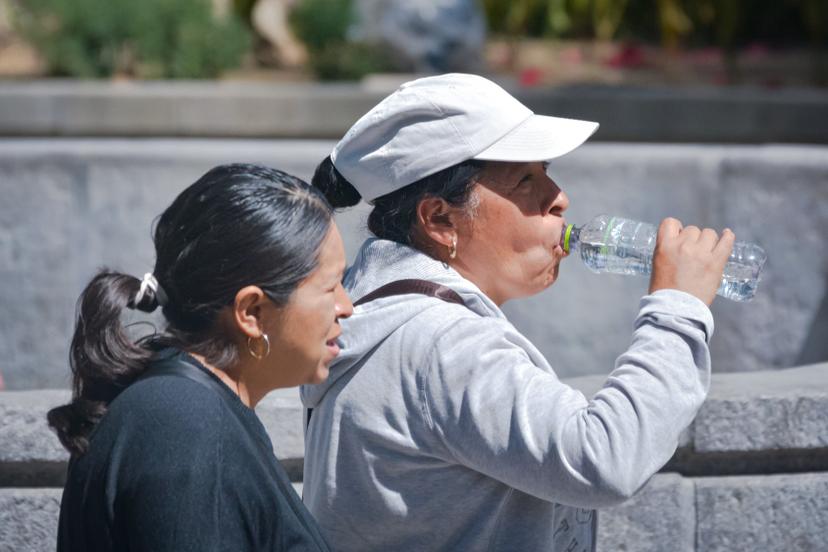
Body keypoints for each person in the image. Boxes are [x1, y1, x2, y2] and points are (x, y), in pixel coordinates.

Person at [301, 74, 735, 551]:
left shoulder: (383, 315)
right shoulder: (440, 343)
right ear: (440, 219)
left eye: (545, 170)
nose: (559, 197)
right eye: (525, 179)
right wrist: (677, 309)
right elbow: (604, 460)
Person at [49, 163, 353, 551]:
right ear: (252, 313)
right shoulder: (183, 427)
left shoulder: (191, 409)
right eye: (331, 287)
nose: (347, 306)